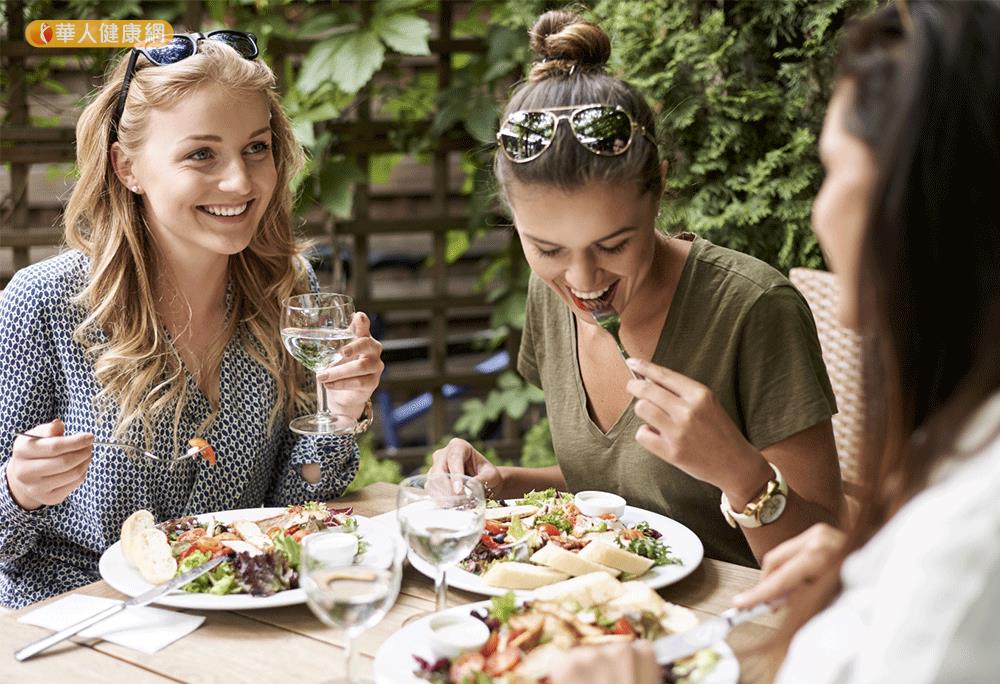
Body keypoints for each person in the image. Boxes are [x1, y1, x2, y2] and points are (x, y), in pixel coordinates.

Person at [552, 1, 1000, 682]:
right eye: (548, 248)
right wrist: (864, 582)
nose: (820, 208)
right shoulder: (953, 478)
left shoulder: (969, 545)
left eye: (835, 166)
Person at [430, 10, 843, 567]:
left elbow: (831, 561)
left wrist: (739, 473)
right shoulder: (547, 296)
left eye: (614, 244)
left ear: (660, 188)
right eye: (548, 249)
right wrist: (502, 484)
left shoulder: (753, 308)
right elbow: (619, 489)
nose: (583, 282)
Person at [0, 32, 383, 608]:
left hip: (232, 612)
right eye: (201, 154)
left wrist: (341, 413)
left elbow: (288, 508)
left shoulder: (286, 292)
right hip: (78, 618)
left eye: (256, 148)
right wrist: (19, 490)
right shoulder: (46, 304)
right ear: (127, 167)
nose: (240, 181)